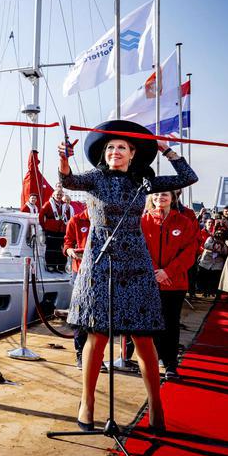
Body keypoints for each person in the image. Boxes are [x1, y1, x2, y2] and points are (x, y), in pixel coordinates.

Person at [57, 119, 197, 434]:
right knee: (98, 334)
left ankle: (156, 407)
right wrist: (63, 157)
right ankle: (87, 404)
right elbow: (67, 180)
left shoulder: (142, 181)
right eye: (111, 147)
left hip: (135, 262)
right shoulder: (93, 179)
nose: (116, 151)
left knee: (143, 337)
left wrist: (168, 151)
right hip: (100, 261)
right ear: (103, 154)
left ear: (132, 154)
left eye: (122, 147)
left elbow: (188, 177)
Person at [142, 191, 198, 379]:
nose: (160, 198)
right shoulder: (143, 221)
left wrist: (168, 272)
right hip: (150, 282)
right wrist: (155, 271)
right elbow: (139, 249)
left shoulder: (184, 222)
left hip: (175, 283)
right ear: (151, 198)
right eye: (156, 195)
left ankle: (171, 364)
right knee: (152, 323)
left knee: (171, 323)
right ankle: (156, 357)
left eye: (165, 194)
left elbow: (190, 252)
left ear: (172, 198)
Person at [64, 209, 91, 368]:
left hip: (100, 274)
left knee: (97, 316)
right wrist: (70, 251)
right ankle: (81, 352)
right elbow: (67, 243)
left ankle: (94, 355)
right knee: (79, 314)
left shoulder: (106, 219)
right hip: (79, 272)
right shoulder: (76, 220)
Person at [197, 220, 228, 298]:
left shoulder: (225, 242)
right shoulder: (210, 239)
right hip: (206, 262)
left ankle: (212, 292)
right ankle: (203, 291)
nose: (219, 235)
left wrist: (221, 246)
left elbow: (226, 252)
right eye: (218, 233)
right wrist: (215, 245)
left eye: (221, 233)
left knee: (214, 279)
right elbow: (206, 245)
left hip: (217, 264)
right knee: (204, 277)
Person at [40, 188, 69, 273]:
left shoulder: (64, 205)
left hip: (61, 230)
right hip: (51, 229)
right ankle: (50, 266)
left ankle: (60, 266)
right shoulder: (48, 204)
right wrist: (44, 226)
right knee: (51, 248)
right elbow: (41, 215)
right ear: (53, 195)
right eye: (57, 195)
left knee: (60, 249)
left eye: (60, 195)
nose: (59, 196)